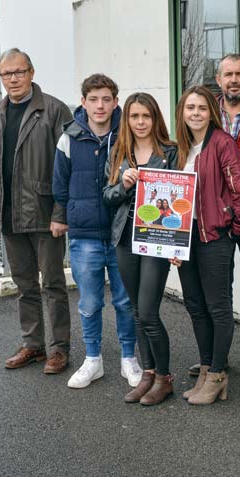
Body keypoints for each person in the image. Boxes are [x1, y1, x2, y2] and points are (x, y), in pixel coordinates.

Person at [0, 48, 73, 374]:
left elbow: (69, 167)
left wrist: (61, 213)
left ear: (31, 72)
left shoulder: (54, 110)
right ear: (1, 77)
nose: (14, 79)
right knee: (25, 286)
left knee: (54, 285)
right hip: (9, 214)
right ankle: (33, 345)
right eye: (7, 74)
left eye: (19, 72)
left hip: (45, 215)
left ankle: (59, 349)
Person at [184, 53, 240, 384]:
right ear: (218, 80)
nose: (233, 79)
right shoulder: (206, 110)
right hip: (214, 219)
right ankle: (214, 359)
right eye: (227, 74)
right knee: (216, 293)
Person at [52, 74, 141, 390]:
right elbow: (59, 184)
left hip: (122, 233)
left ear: (116, 102)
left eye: (106, 99)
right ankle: (93, 360)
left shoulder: (128, 134)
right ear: (84, 102)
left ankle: (129, 358)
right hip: (84, 234)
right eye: (94, 99)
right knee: (89, 302)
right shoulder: (70, 137)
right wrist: (59, 216)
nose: (100, 105)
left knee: (125, 301)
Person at [172, 85, 240, 405]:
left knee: (218, 307)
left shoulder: (222, 143)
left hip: (214, 238)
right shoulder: (179, 147)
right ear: (182, 112)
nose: (195, 113)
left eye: (202, 108)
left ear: (212, 112)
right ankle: (207, 368)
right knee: (195, 305)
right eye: (190, 107)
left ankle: (219, 374)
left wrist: (232, 229)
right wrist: (170, 243)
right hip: (185, 238)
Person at [103, 92, 178, 406]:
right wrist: (124, 185)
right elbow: (108, 196)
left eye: (146, 116)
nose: (140, 122)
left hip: (157, 238)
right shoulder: (120, 151)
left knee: (148, 311)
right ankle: (147, 373)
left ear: (155, 118)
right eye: (134, 116)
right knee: (136, 311)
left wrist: (178, 244)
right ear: (127, 120)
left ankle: (164, 378)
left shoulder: (170, 151)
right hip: (126, 237)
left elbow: (182, 197)